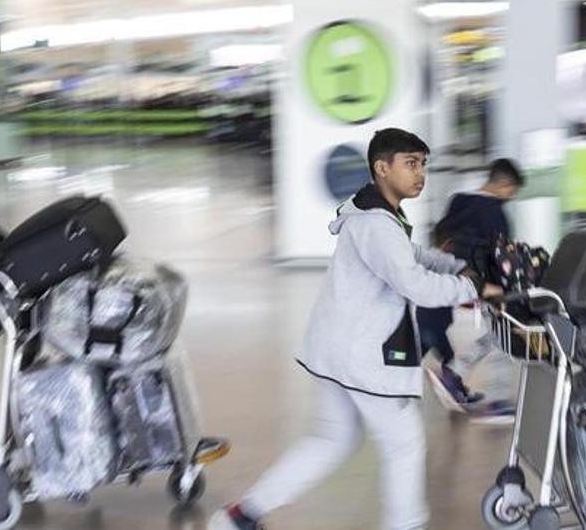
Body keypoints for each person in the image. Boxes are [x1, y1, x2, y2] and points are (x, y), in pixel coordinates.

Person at [212, 128, 502, 530]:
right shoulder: (376, 225)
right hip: (362, 356)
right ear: (382, 168)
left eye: (423, 165)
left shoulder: (375, 214)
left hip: (336, 350)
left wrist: (456, 267)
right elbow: (414, 283)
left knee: (332, 441)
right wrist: (472, 286)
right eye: (411, 164)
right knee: (404, 445)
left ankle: (241, 516)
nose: (421, 174)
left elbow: (412, 257)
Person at [420, 158, 525, 423]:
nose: (510, 198)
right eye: (512, 193)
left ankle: (452, 377)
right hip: (477, 280)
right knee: (503, 332)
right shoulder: (496, 213)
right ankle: (495, 401)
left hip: (444, 275)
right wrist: (502, 287)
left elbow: (440, 235)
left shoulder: (458, 200)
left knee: (429, 329)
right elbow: (501, 256)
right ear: (505, 186)